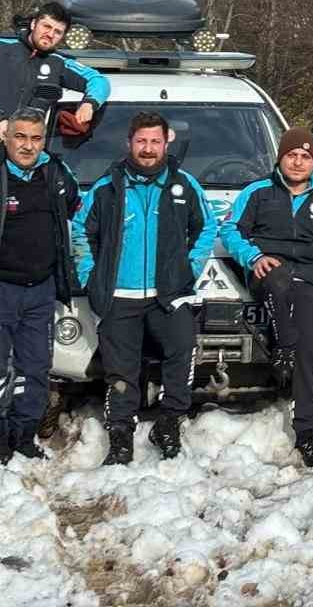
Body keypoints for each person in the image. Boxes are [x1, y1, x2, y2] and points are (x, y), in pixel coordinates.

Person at [71, 111, 217, 466]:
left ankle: (168, 423)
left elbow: (207, 228)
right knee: (121, 372)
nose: (148, 149)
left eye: (155, 141)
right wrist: (91, 275)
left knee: (181, 359)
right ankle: (120, 435)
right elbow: (80, 232)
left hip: (171, 295)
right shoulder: (108, 188)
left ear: (166, 142)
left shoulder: (184, 185)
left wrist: (190, 268)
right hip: (120, 295)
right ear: (129, 143)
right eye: (141, 141)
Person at [0, 107, 82, 464]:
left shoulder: (56, 171)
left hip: (41, 289)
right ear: (6, 136)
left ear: (44, 140)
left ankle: (23, 433)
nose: (28, 146)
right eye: (20, 137)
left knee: (36, 366)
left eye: (36, 138)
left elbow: (76, 208)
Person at [220, 127, 313, 467]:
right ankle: (285, 346)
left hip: (308, 282)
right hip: (266, 274)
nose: (297, 162)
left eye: (305, 157)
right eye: (292, 155)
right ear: (281, 157)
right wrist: (252, 257)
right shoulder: (258, 192)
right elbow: (230, 229)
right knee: (277, 276)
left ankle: (307, 432)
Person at [0, 1, 110, 156]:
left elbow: (99, 81)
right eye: (46, 26)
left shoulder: (59, 63)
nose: (50, 34)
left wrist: (89, 103)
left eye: (58, 32)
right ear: (33, 24)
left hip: (26, 154)